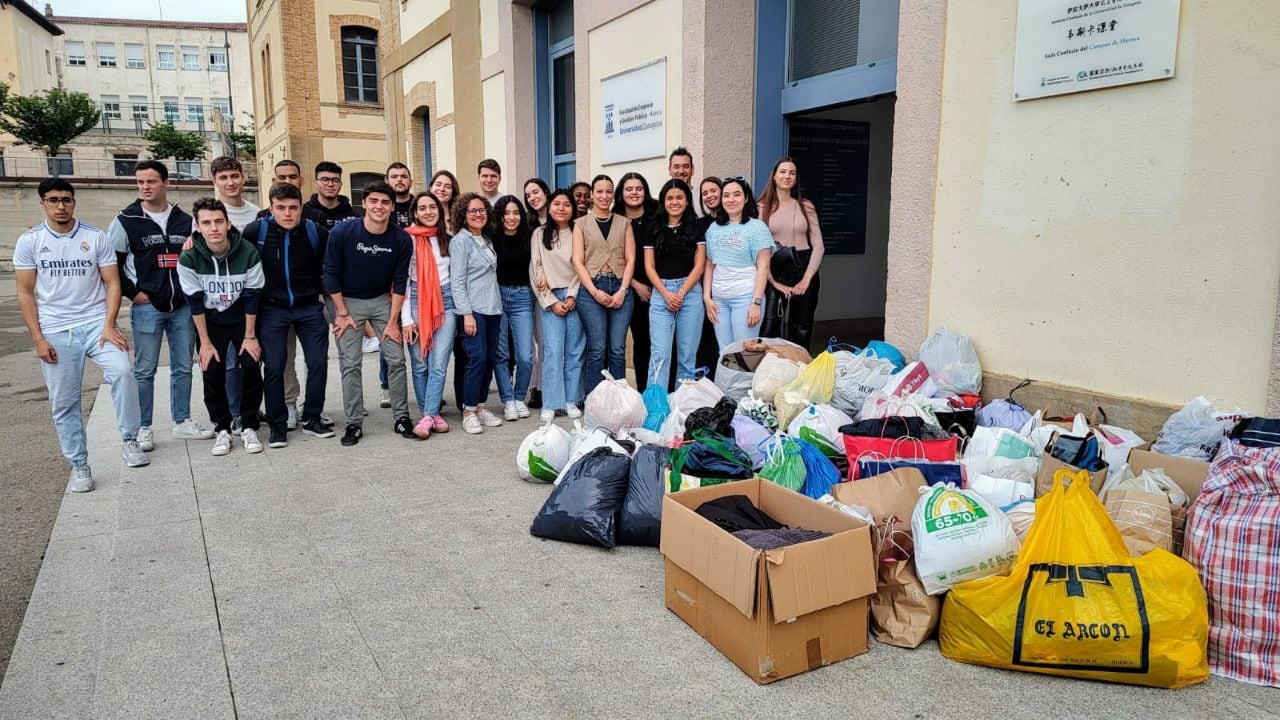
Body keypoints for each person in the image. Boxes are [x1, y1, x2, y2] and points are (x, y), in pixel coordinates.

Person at [16, 178, 149, 492]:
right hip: (55, 330)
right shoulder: (30, 241)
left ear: (74, 201)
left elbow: (113, 283)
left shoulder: (94, 237)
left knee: (122, 371)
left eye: (66, 199)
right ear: (42, 203)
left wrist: (109, 324)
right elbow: (24, 292)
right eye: (53, 200)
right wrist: (38, 338)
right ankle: (79, 464)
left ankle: (130, 440)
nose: (61, 206)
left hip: (96, 324)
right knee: (64, 401)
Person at [109, 160, 213, 450]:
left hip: (181, 305)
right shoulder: (125, 220)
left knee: (182, 366)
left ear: (166, 183)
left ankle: (182, 421)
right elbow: (112, 265)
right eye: (140, 182)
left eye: (151, 181)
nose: (145, 187)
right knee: (144, 369)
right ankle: (143, 427)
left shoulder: (185, 221)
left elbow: (198, 258)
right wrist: (134, 293)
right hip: (147, 306)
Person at [243, 183, 334, 447]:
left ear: (301, 208)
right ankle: (277, 425)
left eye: (293, 208)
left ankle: (313, 418)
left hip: (309, 307)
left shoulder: (315, 232)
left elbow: (329, 267)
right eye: (280, 208)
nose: (287, 213)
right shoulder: (256, 231)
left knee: (318, 363)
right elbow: (232, 251)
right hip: (272, 309)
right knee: (275, 366)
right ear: (270, 208)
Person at [324, 181, 413, 446]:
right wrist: (341, 313)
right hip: (348, 302)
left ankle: (401, 417)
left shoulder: (401, 238)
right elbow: (330, 272)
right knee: (351, 363)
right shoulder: (343, 232)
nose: (379, 207)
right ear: (364, 203)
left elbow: (400, 281)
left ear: (392, 206)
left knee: (396, 359)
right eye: (374, 201)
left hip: (383, 301)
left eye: (385, 202)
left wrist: (394, 320)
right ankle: (353, 423)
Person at [178, 198, 266, 456]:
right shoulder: (189, 256)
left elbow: (252, 295)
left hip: (241, 318)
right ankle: (222, 429)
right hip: (211, 320)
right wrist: (204, 343)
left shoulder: (248, 252)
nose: (214, 228)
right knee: (211, 369)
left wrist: (250, 336)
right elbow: (194, 302)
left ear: (228, 223)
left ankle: (249, 425)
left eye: (218, 221)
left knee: (251, 365)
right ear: (197, 226)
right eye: (206, 222)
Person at [572, 174, 635, 396]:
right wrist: (594, 291)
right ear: (592, 195)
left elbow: (631, 260)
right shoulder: (580, 224)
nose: (604, 196)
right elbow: (577, 261)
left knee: (617, 349)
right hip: (592, 289)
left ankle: (619, 400)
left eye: (608, 191)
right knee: (597, 348)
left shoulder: (624, 223)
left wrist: (623, 291)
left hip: (620, 287)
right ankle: (595, 400)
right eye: (599, 191)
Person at [399, 192, 454, 439]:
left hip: (446, 301)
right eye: (423, 208)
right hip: (416, 298)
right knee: (420, 363)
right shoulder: (407, 240)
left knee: (439, 362)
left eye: (433, 207)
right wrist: (406, 319)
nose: (429, 211)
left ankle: (428, 415)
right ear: (415, 213)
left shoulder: (449, 240)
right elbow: (399, 281)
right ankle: (430, 414)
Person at [450, 194, 505, 434]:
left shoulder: (486, 239)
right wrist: (466, 314)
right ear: (463, 215)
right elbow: (457, 281)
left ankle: (480, 406)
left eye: (481, 210)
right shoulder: (460, 241)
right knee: (476, 359)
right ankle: (469, 411)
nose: (478, 214)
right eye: (472, 211)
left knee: (490, 359)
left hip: (493, 308)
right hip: (474, 310)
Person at [644, 179, 706, 388]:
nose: (674, 202)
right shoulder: (653, 227)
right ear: (663, 201)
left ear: (687, 201)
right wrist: (666, 293)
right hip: (661, 294)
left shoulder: (696, 227)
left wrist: (680, 293)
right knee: (660, 354)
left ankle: (682, 405)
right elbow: (649, 266)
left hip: (690, 294)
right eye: (669, 198)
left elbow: (700, 265)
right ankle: (656, 406)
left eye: (679, 197)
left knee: (687, 355)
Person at [759, 156, 825, 350]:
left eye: (792, 172)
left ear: (796, 179)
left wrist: (806, 279)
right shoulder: (761, 207)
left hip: (805, 267)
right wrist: (774, 282)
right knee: (770, 326)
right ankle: (770, 372)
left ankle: (798, 370)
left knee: (801, 327)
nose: (787, 176)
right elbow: (758, 250)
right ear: (774, 176)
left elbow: (819, 245)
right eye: (783, 172)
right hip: (775, 269)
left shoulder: (805, 206)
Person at [529, 189, 583, 422]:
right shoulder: (539, 234)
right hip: (549, 297)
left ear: (573, 209)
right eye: (557, 204)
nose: (561, 208)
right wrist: (550, 301)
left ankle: (571, 399)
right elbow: (536, 267)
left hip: (575, 295)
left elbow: (582, 267)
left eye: (566, 205)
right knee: (552, 351)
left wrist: (571, 296)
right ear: (549, 208)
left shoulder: (578, 232)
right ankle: (551, 402)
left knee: (574, 350)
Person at [703, 177, 772, 349]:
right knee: (725, 351)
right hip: (719, 300)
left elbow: (763, 267)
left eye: (736, 195)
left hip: (746, 298)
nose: (731, 200)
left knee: (745, 351)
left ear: (746, 198)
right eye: (726, 195)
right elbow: (709, 265)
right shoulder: (713, 228)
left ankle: (747, 378)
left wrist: (756, 303)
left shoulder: (757, 227)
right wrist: (707, 298)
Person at [491, 196, 534, 421]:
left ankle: (519, 397)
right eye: (506, 213)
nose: (511, 218)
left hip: (522, 297)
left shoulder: (529, 237)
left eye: (516, 212)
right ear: (499, 215)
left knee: (525, 355)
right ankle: (507, 400)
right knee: (501, 354)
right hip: (497, 296)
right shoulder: (491, 238)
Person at [613, 172, 658, 387]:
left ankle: (659, 389)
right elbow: (613, 257)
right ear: (622, 192)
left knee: (657, 343)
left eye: (638, 188)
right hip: (628, 287)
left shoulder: (657, 214)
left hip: (659, 287)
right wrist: (635, 284)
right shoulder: (615, 218)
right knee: (639, 343)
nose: (634, 193)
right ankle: (642, 391)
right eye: (629, 189)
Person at [306, 161, 360, 230]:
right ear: (316, 183)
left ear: (340, 184)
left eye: (335, 180)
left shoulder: (353, 218)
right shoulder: (305, 214)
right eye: (325, 180)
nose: (330, 184)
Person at [211, 156, 261, 230]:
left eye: (235, 176)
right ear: (215, 182)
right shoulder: (207, 214)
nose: (230, 183)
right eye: (223, 178)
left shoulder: (256, 212)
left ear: (243, 179)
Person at [386, 162, 415, 227]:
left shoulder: (419, 206)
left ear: (411, 182)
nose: (399, 180)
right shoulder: (382, 207)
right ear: (386, 182)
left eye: (404, 177)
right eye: (394, 177)